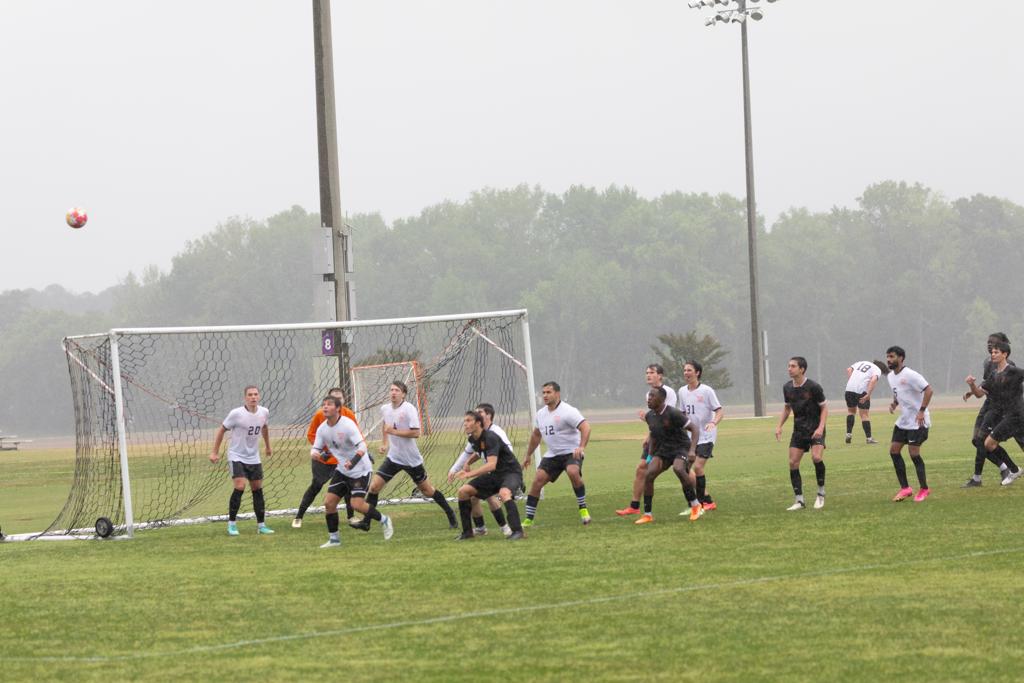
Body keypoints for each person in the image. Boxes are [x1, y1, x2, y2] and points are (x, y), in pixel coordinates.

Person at [355, 380, 458, 533]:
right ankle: (366, 522)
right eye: (391, 390)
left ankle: (451, 514)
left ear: (403, 394)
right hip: (393, 458)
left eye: (397, 390)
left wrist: (394, 432)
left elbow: (416, 433)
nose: (393, 392)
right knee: (374, 487)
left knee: (427, 490)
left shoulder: (409, 409)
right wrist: (385, 443)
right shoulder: (385, 409)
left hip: (411, 460)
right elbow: (386, 425)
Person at [310, 395, 391, 547]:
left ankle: (384, 520)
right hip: (342, 470)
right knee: (329, 503)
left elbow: (363, 446)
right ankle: (334, 540)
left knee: (357, 504)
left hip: (361, 469)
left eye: (329, 404)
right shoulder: (322, 429)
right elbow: (315, 448)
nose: (325, 407)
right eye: (323, 404)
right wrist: (315, 454)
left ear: (338, 409)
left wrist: (352, 462)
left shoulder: (347, 425)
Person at [521, 381, 591, 527]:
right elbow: (536, 435)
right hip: (552, 455)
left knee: (573, 472)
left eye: (549, 392)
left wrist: (581, 447)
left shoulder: (568, 411)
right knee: (537, 481)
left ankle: (583, 509)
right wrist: (528, 455)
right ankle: (528, 519)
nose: (545, 395)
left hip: (570, 452)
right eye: (543, 393)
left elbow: (586, 427)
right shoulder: (541, 414)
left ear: (557, 394)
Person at [209, 385, 274, 535]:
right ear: (245, 397)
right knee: (240, 486)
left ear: (259, 396)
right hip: (236, 456)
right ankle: (232, 525)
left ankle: (261, 526)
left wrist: (268, 446)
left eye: (255, 394)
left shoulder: (264, 412)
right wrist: (214, 452)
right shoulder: (236, 414)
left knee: (257, 488)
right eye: (250, 395)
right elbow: (221, 430)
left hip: (254, 457)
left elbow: (264, 427)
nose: (253, 397)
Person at [962, 333, 1024, 487]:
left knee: (990, 442)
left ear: (1005, 354)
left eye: (996, 351)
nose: (993, 353)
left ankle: (1012, 470)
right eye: (992, 351)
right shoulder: (993, 374)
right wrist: (971, 385)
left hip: (1017, 415)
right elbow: (979, 393)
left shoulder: (1013, 370)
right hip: (1007, 415)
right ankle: (1014, 469)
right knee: (988, 443)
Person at [453, 411, 526, 541]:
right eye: (464, 421)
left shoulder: (490, 437)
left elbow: (491, 465)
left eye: (468, 420)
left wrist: (468, 474)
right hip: (495, 475)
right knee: (463, 492)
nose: (465, 424)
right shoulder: (473, 439)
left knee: (504, 494)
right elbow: (480, 452)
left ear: (478, 423)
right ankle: (467, 533)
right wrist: (468, 462)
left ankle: (518, 531)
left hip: (511, 472)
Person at [293, 387, 360, 528]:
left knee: (348, 487)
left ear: (343, 401)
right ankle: (299, 516)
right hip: (323, 460)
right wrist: (323, 450)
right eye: (332, 398)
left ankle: (351, 516)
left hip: (342, 460)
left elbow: (356, 436)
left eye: (339, 398)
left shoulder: (349, 415)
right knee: (316, 485)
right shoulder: (319, 415)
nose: (336, 400)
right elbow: (311, 435)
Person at [634, 386, 702, 524]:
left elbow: (694, 429)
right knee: (649, 475)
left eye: (652, 396)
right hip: (664, 450)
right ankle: (647, 515)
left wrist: (692, 450)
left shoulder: (673, 413)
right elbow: (654, 435)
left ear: (662, 399)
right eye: (649, 396)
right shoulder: (649, 416)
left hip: (681, 447)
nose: (649, 399)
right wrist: (650, 456)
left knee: (678, 469)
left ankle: (695, 505)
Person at [616, 364, 677, 516]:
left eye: (652, 372)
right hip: (656, 438)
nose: (648, 375)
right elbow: (655, 420)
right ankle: (634, 506)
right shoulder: (649, 394)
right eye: (647, 372)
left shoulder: (668, 392)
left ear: (660, 375)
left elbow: (667, 417)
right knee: (641, 468)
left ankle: (702, 499)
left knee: (682, 469)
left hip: (670, 439)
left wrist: (648, 426)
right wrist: (649, 434)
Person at [447, 403, 513, 537]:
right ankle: (483, 528)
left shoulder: (496, 432)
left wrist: (474, 471)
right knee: (474, 497)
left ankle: (506, 528)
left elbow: (507, 451)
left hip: (502, 472)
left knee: (488, 496)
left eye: (480, 412)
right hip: (490, 471)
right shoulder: (476, 435)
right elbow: (471, 452)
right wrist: (456, 468)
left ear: (488, 416)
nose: (476, 414)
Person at [775, 357, 828, 511]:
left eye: (793, 366)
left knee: (816, 457)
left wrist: (820, 428)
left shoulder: (814, 387)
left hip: (815, 428)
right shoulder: (787, 387)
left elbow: (824, 408)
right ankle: (799, 501)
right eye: (788, 366)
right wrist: (779, 426)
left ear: (802, 369)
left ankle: (821, 493)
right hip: (799, 430)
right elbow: (787, 408)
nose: (789, 369)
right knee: (793, 463)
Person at [885, 346, 932, 502]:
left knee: (914, 454)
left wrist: (921, 411)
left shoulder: (911, 375)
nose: (889, 360)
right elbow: (899, 392)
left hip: (918, 421)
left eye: (892, 356)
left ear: (901, 358)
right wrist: (894, 403)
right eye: (887, 357)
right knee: (894, 451)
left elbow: (929, 390)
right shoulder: (890, 376)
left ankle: (924, 489)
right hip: (904, 421)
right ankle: (905, 488)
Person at [677, 360, 724, 511]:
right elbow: (683, 414)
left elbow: (719, 410)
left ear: (697, 373)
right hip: (691, 438)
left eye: (689, 370)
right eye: (685, 370)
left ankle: (701, 505)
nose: (686, 373)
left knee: (698, 467)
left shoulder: (706, 391)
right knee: (684, 469)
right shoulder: (682, 391)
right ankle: (703, 501)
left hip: (706, 436)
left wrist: (713, 422)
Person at [844, 360, 887, 444]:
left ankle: (848, 434)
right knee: (864, 415)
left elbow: (848, 370)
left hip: (849, 389)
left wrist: (852, 381)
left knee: (851, 412)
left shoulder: (861, 362)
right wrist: (868, 393)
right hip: (862, 391)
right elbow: (873, 380)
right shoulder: (877, 369)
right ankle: (869, 438)